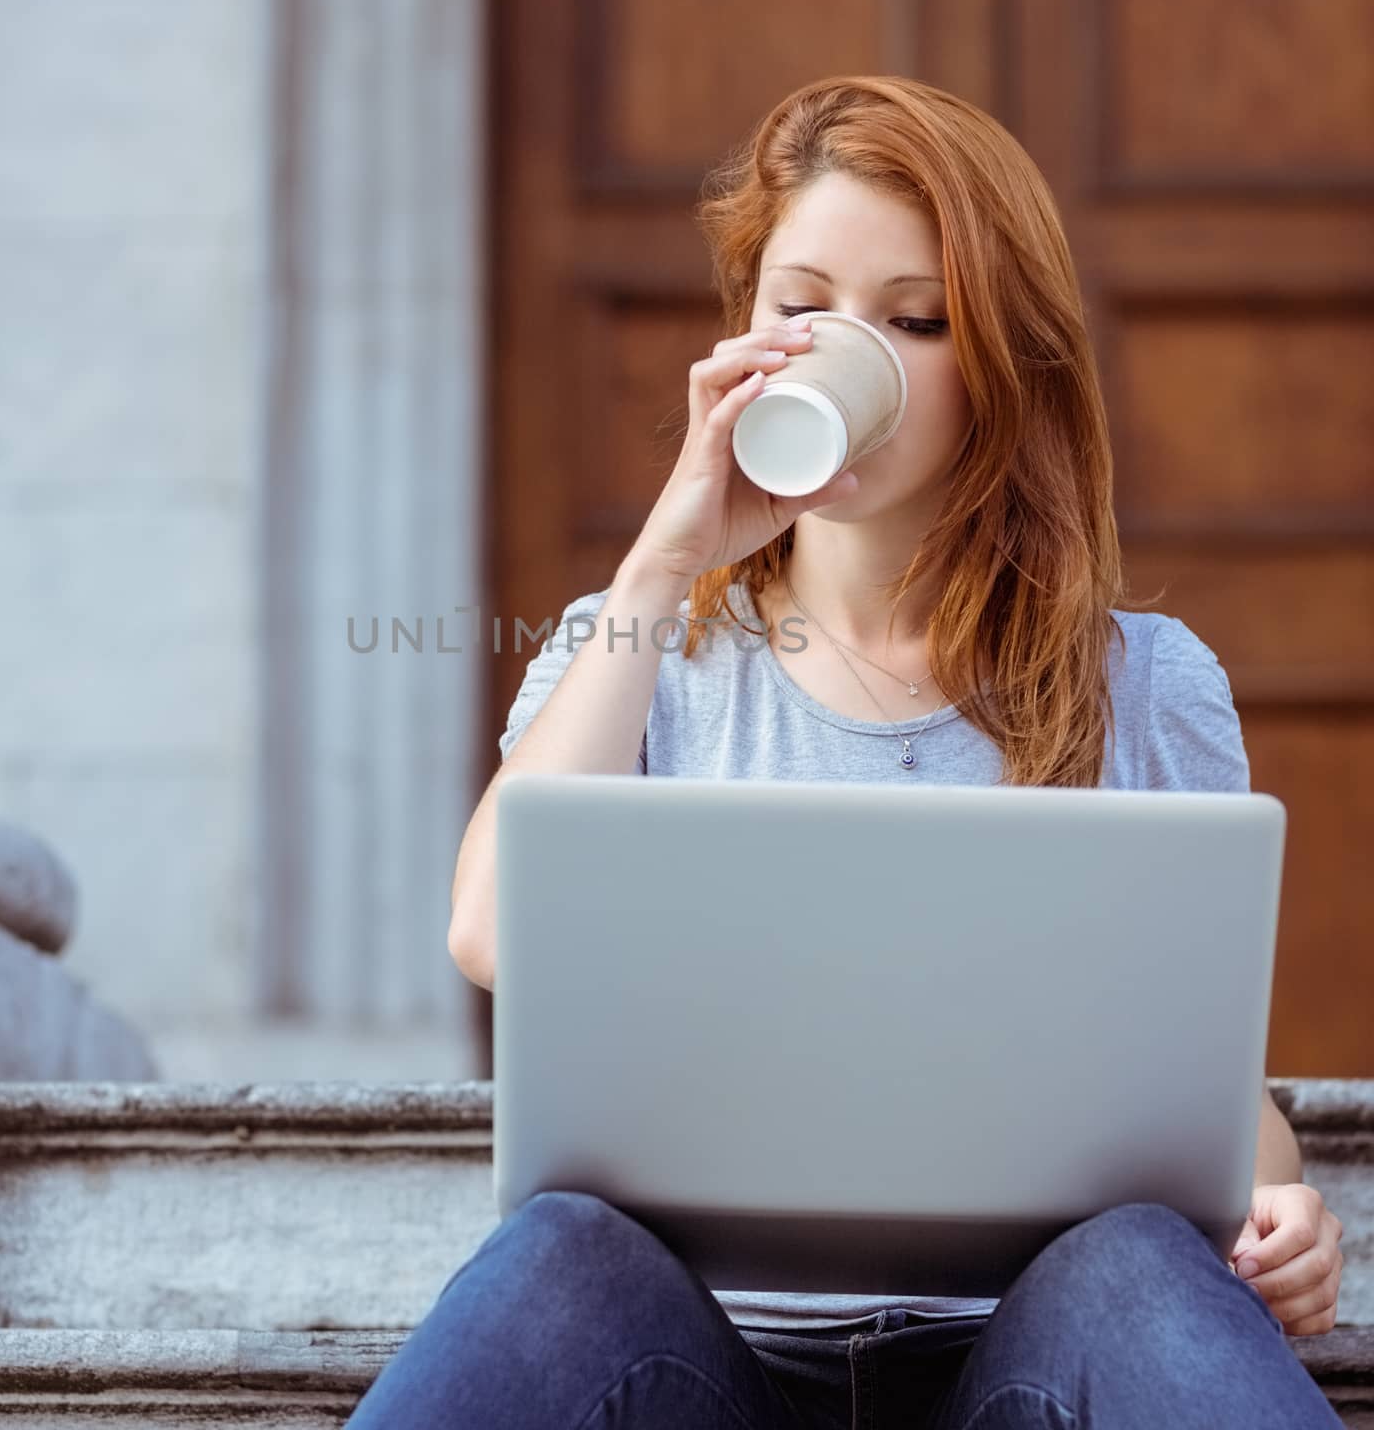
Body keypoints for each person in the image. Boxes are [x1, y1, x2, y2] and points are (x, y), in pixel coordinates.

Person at [351, 75, 1345, 1428]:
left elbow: (1211, 1088)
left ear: (999, 364)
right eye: (800, 307)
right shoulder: (633, 645)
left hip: (1024, 1350)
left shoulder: (1144, 684)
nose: (839, 350)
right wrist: (668, 563)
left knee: (1141, 1267)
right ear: (745, 335)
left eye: (914, 320)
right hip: (707, 1353)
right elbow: (489, 933)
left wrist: (1280, 1199)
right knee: (558, 1257)